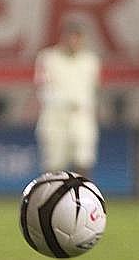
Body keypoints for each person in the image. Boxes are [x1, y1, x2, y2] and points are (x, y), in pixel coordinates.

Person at [33, 21, 101, 178]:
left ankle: (82, 199)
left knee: (83, 159)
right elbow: (43, 89)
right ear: (63, 38)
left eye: (78, 37)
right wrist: (62, 102)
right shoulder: (48, 58)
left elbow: (93, 89)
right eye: (71, 37)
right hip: (55, 116)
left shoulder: (90, 61)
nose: (74, 41)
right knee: (53, 164)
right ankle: (52, 199)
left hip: (81, 115)